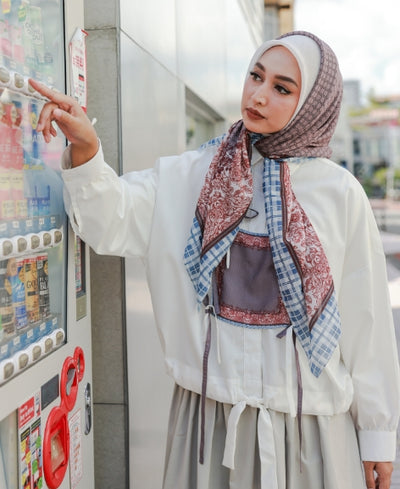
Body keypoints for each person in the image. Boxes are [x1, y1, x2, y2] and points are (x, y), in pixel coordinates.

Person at [32, 30, 400, 489]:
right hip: (208, 424)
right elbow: (111, 219)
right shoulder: (195, 175)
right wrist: (86, 148)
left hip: (312, 431)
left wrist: (378, 435)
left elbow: (368, 323)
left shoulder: (339, 193)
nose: (260, 95)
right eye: (256, 76)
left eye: (282, 88)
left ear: (312, 105)